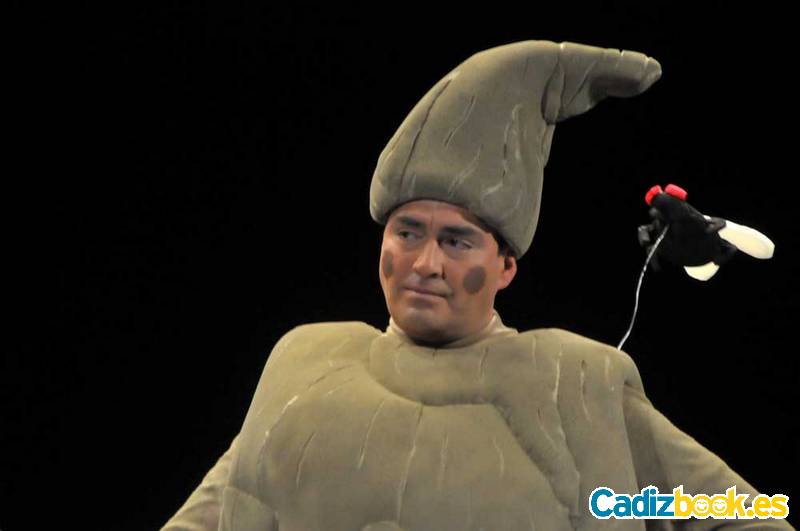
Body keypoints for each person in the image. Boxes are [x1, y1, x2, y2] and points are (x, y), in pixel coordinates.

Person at [162, 40, 793, 531]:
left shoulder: (577, 383)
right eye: (407, 233)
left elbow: (741, 513)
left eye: (456, 241)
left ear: (505, 267)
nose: (426, 263)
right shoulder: (305, 366)